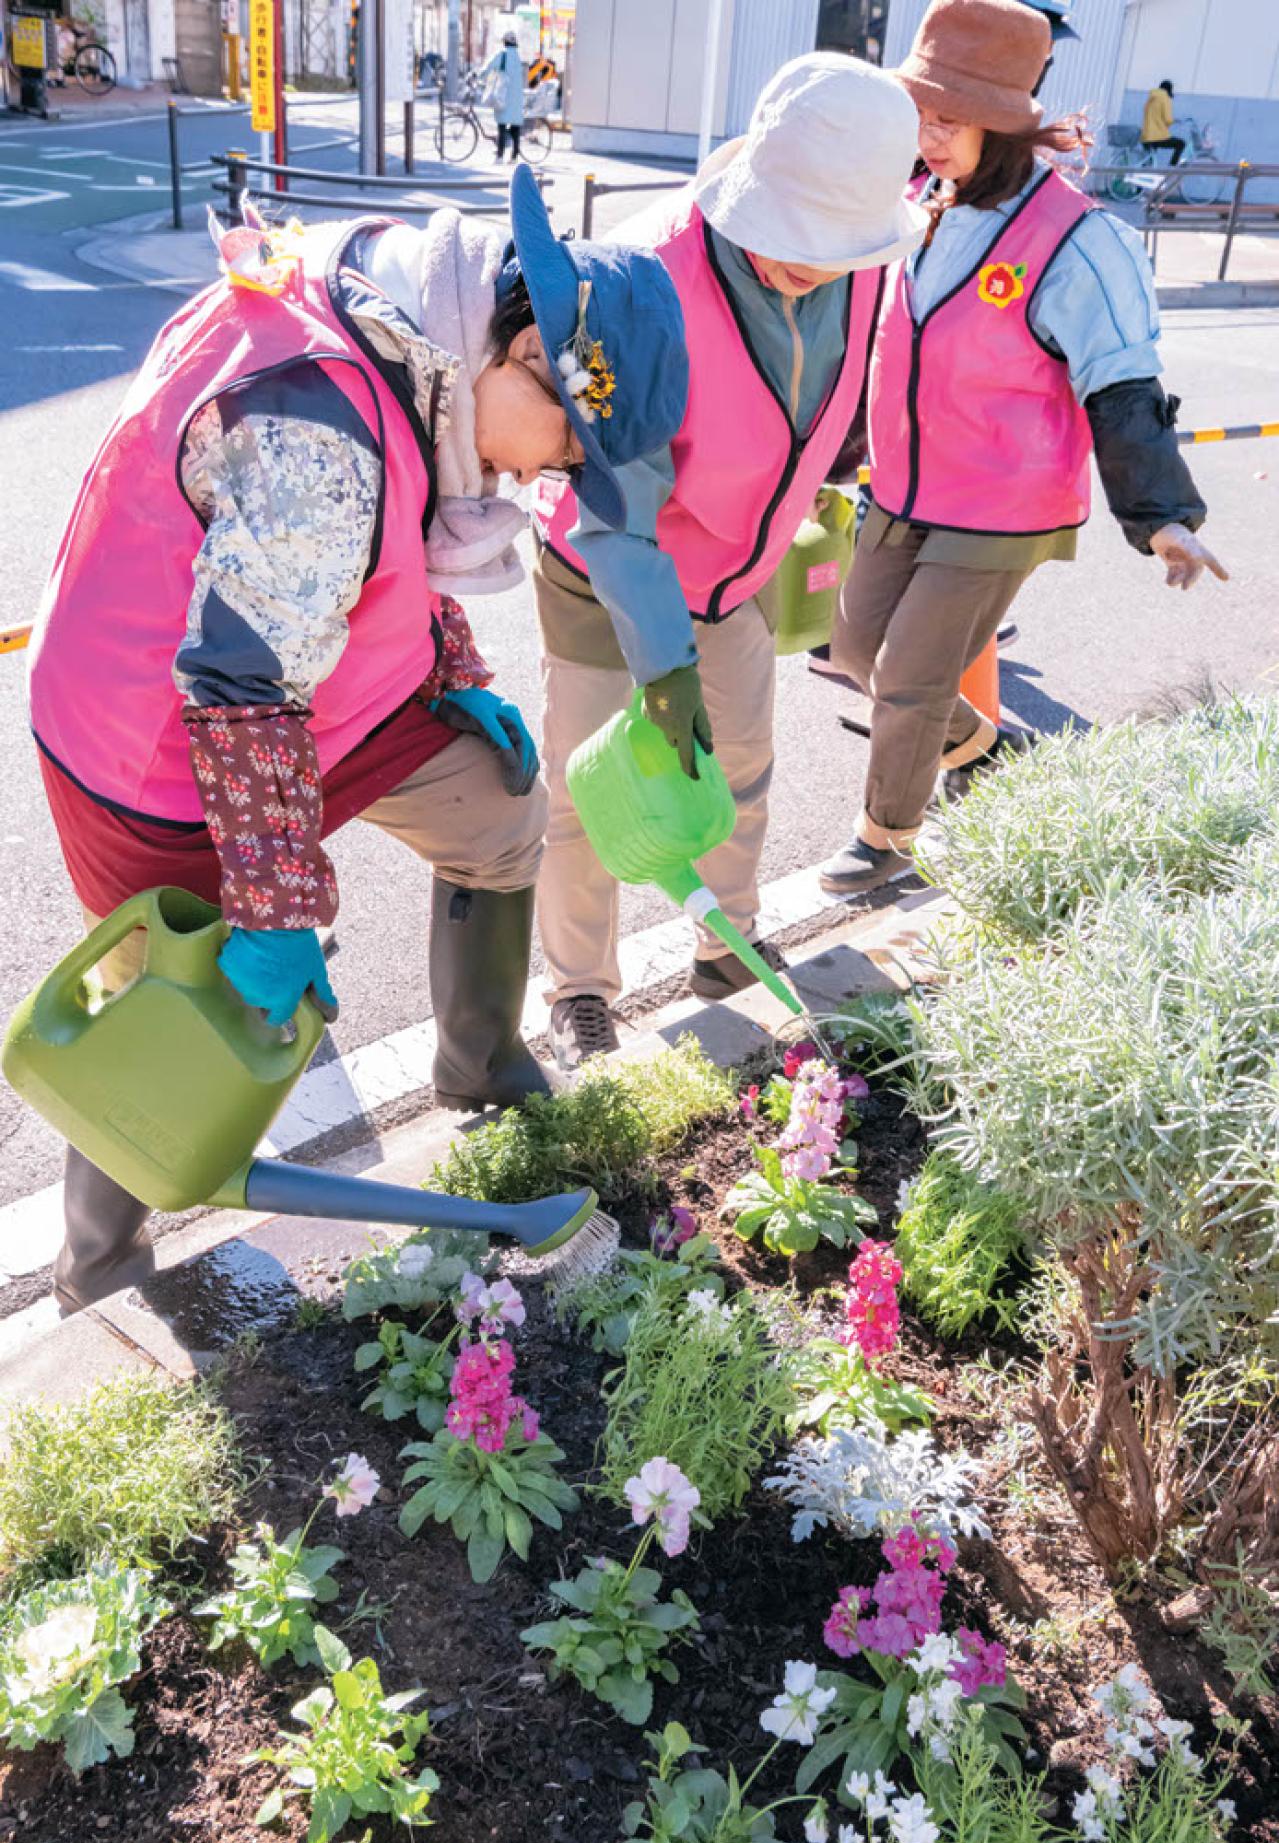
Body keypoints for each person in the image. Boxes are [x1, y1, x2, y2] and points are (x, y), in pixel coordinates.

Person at [26, 171, 687, 1313]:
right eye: (569, 446)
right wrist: (277, 915)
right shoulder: (315, 417)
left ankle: (482, 1068)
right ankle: (99, 1272)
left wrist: (456, 673)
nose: (550, 476)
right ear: (525, 348)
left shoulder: (419, 318)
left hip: (315, 681)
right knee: (182, 1015)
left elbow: (377, 538)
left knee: (494, 805)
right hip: (160, 735)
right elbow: (241, 691)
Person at [531, 54, 926, 1071]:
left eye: (833, 248)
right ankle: (579, 990)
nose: (808, 264)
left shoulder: (868, 268)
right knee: (591, 789)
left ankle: (725, 951)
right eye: (791, 237)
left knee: (738, 767)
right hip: (605, 570)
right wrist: (662, 673)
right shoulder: (641, 278)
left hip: (734, 577)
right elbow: (616, 510)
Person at [818, 0, 1227, 896]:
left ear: (1001, 126)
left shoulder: (1076, 240)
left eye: (948, 118)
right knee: (851, 648)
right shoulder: (922, 208)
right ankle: (985, 750)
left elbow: (1121, 383)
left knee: (909, 676)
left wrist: (1162, 518)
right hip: (902, 489)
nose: (925, 136)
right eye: (917, 113)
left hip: (1000, 506)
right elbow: (886, 355)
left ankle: (887, 835)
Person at [485, 30, 526, 163]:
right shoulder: (518, 57)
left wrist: (478, 75)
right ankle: (514, 156)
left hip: (503, 95)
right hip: (517, 98)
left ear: (504, 42)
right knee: (515, 127)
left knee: (501, 125)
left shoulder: (502, 54)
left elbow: (489, 67)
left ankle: (500, 156)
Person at [1141, 78, 1185, 167]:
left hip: (1146, 136)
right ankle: (1171, 168)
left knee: (1150, 161)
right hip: (1157, 137)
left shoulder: (1151, 98)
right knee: (1181, 144)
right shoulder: (1165, 98)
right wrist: (1175, 120)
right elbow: (1167, 119)